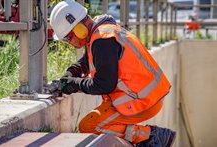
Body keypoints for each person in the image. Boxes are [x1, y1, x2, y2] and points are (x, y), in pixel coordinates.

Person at [50, 0, 176, 146]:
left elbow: (103, 85)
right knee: (91, 122)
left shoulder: (103, 40)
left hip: (142, 100)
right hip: (145, 96)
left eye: (67, 37)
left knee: (89, 126)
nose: (69, 42)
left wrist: (73, 84)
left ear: (79, 28)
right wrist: (71, 72)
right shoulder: (100, 33)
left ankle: (149, 136)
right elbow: (88, 60)